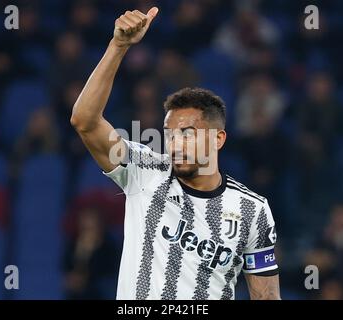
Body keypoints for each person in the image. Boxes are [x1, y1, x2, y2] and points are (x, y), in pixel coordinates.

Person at [70, 7, 280, 300]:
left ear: (218, 139)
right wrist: (118, 47)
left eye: (188, 134)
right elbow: (85, 121)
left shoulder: (252, 210)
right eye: (169, 135)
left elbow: (267, 298)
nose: (176, 144)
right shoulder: (144, 170)